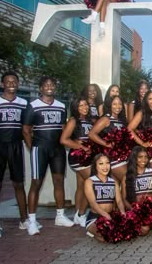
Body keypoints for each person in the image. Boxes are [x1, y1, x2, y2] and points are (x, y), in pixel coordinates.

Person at [23, 76, 74, 236]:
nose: (49, 87)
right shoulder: (33, 106)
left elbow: (64, 128)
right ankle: (31, 220)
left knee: (59, 181)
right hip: (40, 148)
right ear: (41, 88)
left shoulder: (61, 106)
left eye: (52, 84)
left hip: (57, 150)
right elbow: (25, 130)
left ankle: (60, 215)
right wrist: (33, 147)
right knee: (36, 183)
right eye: (46, 85)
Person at [0, 71, 28, 238]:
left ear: (17, 83)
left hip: (16, 146)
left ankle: (24, 219)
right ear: (3, 84)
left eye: (14, 81)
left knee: (18, 183)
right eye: (8, 81)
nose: (11, 84)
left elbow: (26, 126)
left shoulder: (23, 103)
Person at [60, 97, 94, 228]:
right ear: (75, 108)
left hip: (88, 157)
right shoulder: (73, 121)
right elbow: (64, 140)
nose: (84, 107)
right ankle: (81, 214)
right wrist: (81, 147)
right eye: (81, 105)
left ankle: (78, 215)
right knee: (92, 183)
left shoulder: (89, 120)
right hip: (78, 158)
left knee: (81, 186)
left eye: (85, 104)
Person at [121, 146, 152, 235]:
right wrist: (132, 209)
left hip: (151, 208)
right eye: (140, 157)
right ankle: (145, 224)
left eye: (146, 157)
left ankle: (150, 223)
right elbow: (124, 198)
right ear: (134, 158)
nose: (144, 160)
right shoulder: (127, 176)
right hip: (136, 209)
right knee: (144, 230)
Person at [84, 154, 126, 242]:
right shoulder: (90, 181)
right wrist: (105, 214)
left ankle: (98, 235)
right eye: (101, 164)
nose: (105, 166)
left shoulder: (113, 182)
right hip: (95, 217)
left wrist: (122, 211)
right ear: (95, 166)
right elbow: (93, 203)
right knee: (106, 234)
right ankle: (91, 231)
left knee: (118, 235)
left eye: (107, 163)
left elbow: (118, 201)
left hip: (111, 215)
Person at [88, 95, 128, 182]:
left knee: (116, 187)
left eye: (120, 104)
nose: (118, 106)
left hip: (122, 157)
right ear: (110, 105)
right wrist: (106, 144)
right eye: (114, 104)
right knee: (128, 181)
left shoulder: (121, 120)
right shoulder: (106, 119)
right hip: (112, 157)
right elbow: (91, 134)